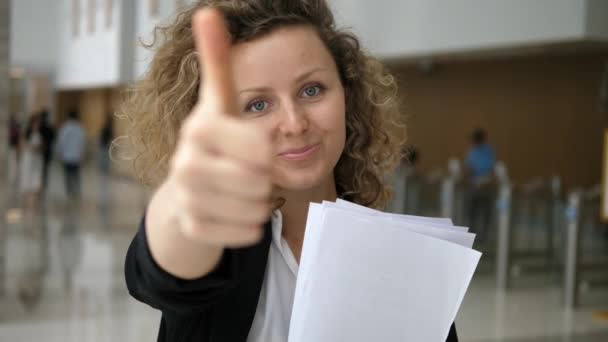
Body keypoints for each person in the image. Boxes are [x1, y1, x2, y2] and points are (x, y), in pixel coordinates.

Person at [123, 2, 458, 342]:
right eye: (257, 104)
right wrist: (183, 199)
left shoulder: (404, 260)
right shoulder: (219, 248)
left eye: (311, 90)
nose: (294, 124)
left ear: (348, 94)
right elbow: (160, 272)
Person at [465, 128, 496, 242]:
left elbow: (491, 169)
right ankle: (472, 236)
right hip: (474, 187)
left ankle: (484, 237)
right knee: (472, 212)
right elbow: (469, 167)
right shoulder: (472, 151)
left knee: (485, 213)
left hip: (486, 188)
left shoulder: (488, 151)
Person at [55, 109, 86, 199]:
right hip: (76, 155)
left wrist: (59, 153)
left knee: (67, 175)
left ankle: (69, 191)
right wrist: (82, 154)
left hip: (67, 156)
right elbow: (82, 142)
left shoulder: (65, 128)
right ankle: (77, 191)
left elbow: (61, 141)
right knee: (76, 174)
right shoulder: (80, 128)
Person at [20, 113, 44, 207]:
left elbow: (42, 146)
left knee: (36, 175)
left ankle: (35, 194)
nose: (37, 125)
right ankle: (27, 195)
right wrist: (31, 148)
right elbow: (23, 144)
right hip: (28, 157)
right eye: (35, 123)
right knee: (27, 174)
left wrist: (38, 148)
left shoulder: (40, 134)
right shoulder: (27, 133)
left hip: (37, 158)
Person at [38, 109, 56, 194]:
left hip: (41, 151)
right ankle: (43, 183)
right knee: (45, 168)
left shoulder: (40, 127)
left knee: (41, 168)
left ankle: (40, 183)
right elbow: (53, 137)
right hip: (46, 150)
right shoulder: (49, 127)